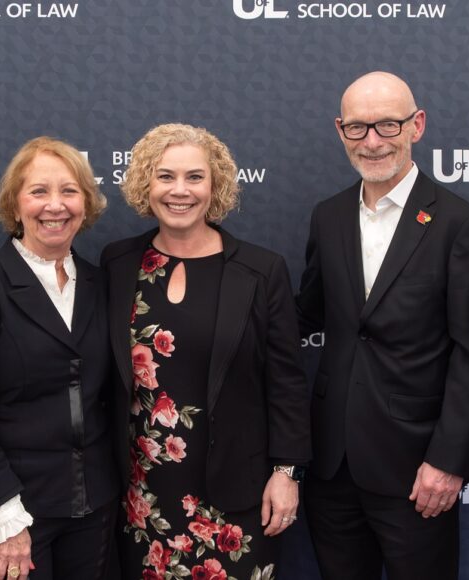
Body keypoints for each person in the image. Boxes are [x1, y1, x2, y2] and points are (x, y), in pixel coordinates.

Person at [295, 71, 469, 580]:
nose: (373, 141)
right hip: (332, 465)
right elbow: (307, 312)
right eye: (358, 128)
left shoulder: (460, 224)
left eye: (388, 124)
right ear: (340, 130)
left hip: (417, 471)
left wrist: (448, 462)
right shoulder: (328, 217)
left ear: (417, 125)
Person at [100, 123, 310, 580]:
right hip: (143, 496)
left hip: (238, 492)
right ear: (145, 184)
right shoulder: (117, 264)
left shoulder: (260, 270)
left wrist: (287, 472)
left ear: (215, 187)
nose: (180, 190)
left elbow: (287, 383)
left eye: (195, 177)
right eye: (165, 176)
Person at [0, 136, 118, 580]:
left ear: (86, 204)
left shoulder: (101, 284)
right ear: (15, 206)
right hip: (9, 510)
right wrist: (6, 516)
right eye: (39, 191)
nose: (55, 205)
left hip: (92, 506)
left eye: (69, 191)